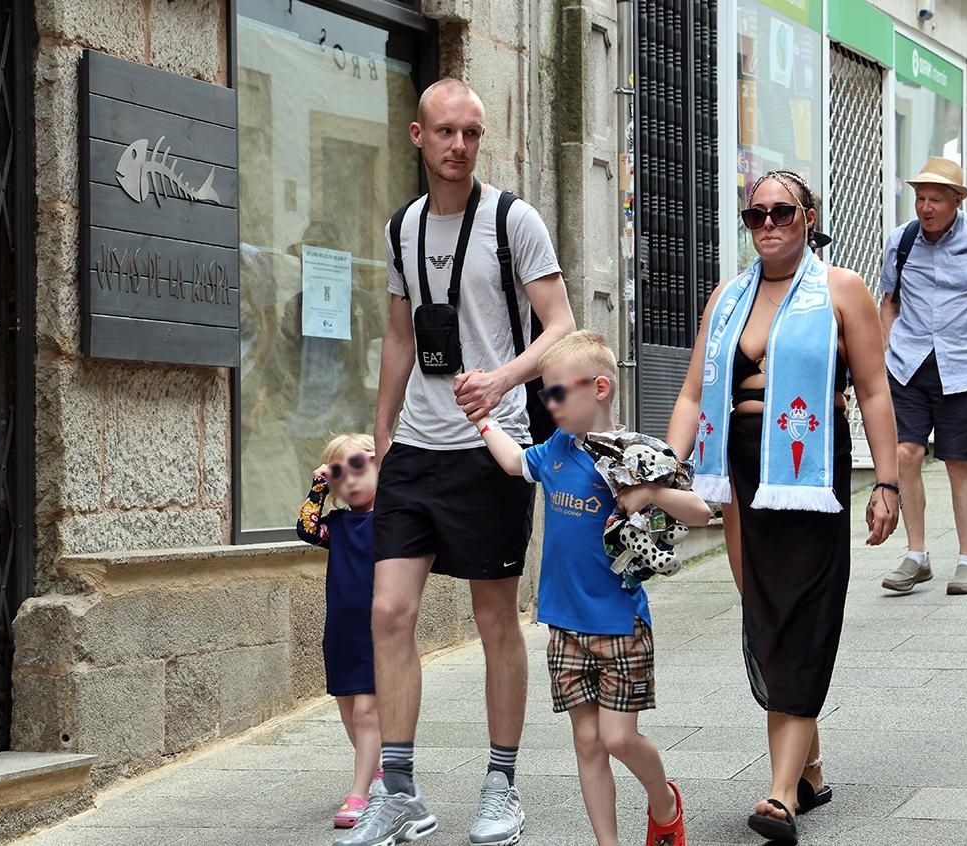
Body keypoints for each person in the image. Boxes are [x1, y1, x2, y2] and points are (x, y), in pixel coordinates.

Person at [344, 79, 575, 846]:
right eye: (446, 132)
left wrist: (505, 378)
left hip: (492, 449)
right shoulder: (403, 227)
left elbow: (562, 326)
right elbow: (400, 338)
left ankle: (501, 783)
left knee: (493, 620)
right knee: (388, 612)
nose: (460, 146)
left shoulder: (515, 221)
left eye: (472, 133)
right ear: (418, 135)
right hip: (416, 448)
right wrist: (381, 440)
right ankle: (400, 790)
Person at [667, 170, 900, 844]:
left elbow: (876, 391)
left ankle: (778, 796)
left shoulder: (841, 290)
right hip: (742, 469)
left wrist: (888, 483)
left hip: (808, 467)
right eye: (756, 214)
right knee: (769, 623)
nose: (768, 223)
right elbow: (690, 394)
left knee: (801, 619)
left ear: (808, 217)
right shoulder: (728, 296)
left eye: (782, 212)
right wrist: (666, 462)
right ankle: (811, 768)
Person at [470, 330, 710, 846]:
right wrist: (483, 421)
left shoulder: (633, 455)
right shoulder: (555, 450)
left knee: (617, 737)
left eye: (558, 392)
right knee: (586, 742)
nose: (549, 403)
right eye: (545, 394)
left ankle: (664, 801)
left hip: (619, 624)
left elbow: (702, 511)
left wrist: (649, 491)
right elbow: (515, 462)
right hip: (564, 625)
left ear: (600, 388)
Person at [877, 157, 967, 597]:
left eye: (935, 199)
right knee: (905, 453)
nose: (925, 207)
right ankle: (916, 554)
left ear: (957, 201)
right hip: (910, 363)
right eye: (920, 198)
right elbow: (888, 303)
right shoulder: (901, 240)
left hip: (966, 364)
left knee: (959, 462)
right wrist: (885, 354)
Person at [296, 434, 383, 830]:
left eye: (358, 467)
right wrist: (318, 484)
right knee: (349, 712)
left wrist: (384, 456)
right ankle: (378, 774)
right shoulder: (337, 525)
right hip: (341, 631)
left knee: (367, 711)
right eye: (338, 474)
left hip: (377, 629)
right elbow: (305, 528)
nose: (349, 480)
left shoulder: (391, 518)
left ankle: (360, 791)